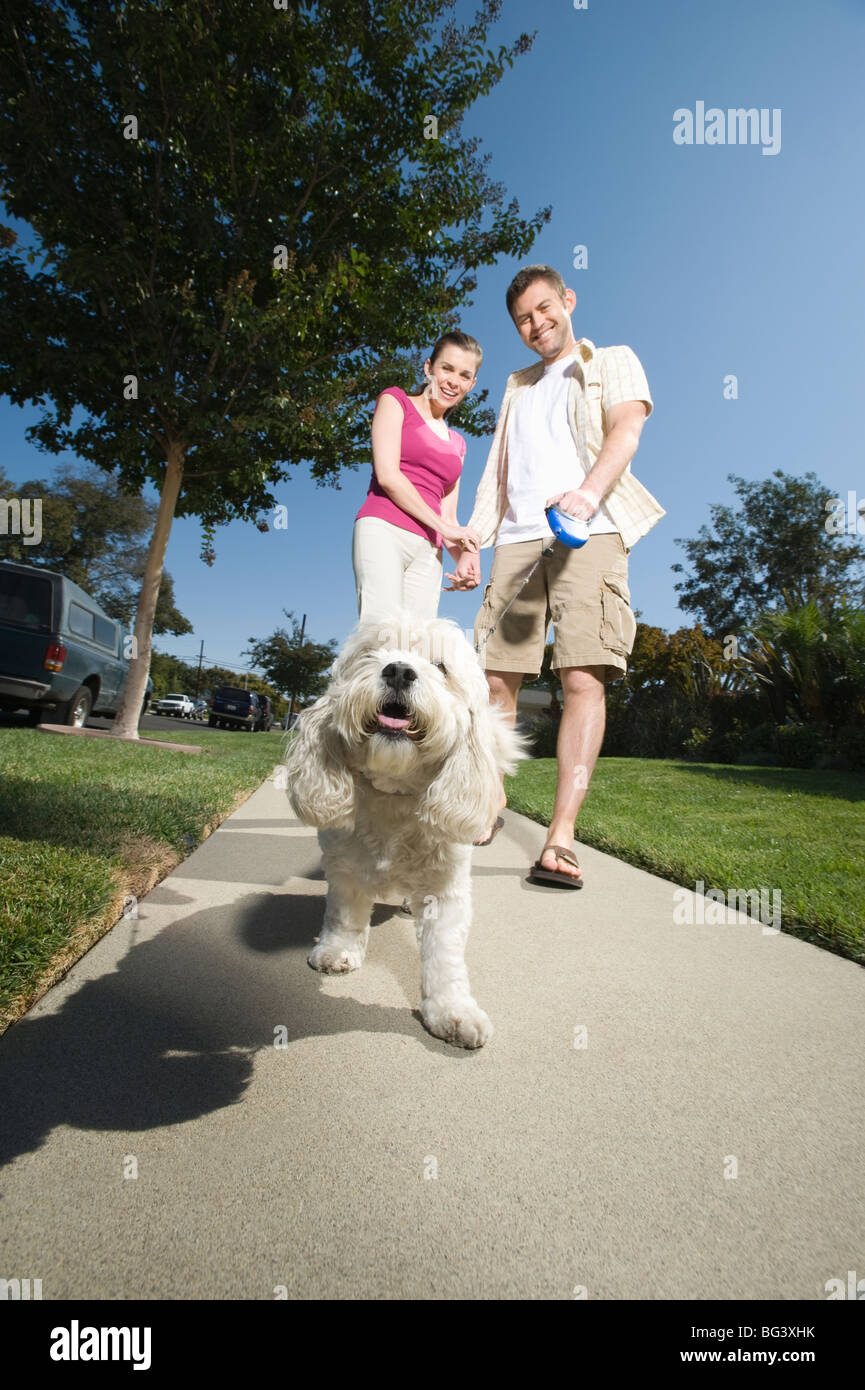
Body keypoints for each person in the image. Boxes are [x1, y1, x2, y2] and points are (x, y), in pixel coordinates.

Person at [446, 265, 664, 885]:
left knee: (582, 677)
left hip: (587, 529)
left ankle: (561, 834)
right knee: (496, 682)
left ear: (568, 301)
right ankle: (488, 804)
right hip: (516, 539)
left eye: (545, 309)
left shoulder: (610, 358)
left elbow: (627, 429)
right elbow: (499, 472)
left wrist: (588, 494)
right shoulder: (516, 386)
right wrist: (472, 542)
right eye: (524, 319)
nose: (537, 323)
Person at [352, 333, 483, 622]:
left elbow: (449, 519)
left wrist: (464, 560)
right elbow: (388, 476)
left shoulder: (458, 444)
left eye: (464, 375)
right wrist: (445, 529)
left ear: (471, 385)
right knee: (381, 634)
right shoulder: (395, 401)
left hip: (428, 549)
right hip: (383, 529)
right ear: (428, 368)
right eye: (446, 368)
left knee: (416, 647)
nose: (453, 381)